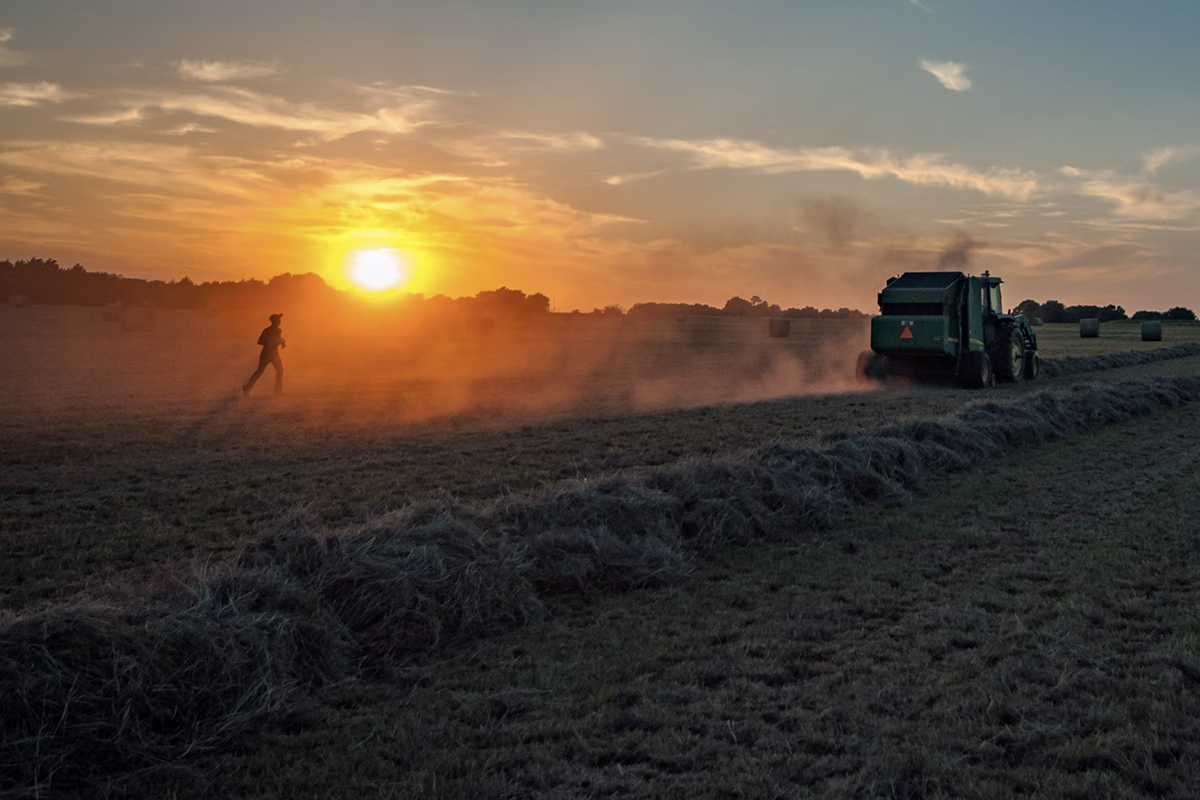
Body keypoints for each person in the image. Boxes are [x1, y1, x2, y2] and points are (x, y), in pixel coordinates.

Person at [243, 313, 286, 396]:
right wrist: (271, 341)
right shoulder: (267, 330)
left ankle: (278, 391)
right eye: (279, 320)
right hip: (266, 354)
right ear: (274, 321)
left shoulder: (279, 330)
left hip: (274, 354)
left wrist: (281, 343)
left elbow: (277, 340)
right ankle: (248, 387)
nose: (280, 321)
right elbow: (260, 341)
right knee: (260, 371)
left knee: (280, 371)